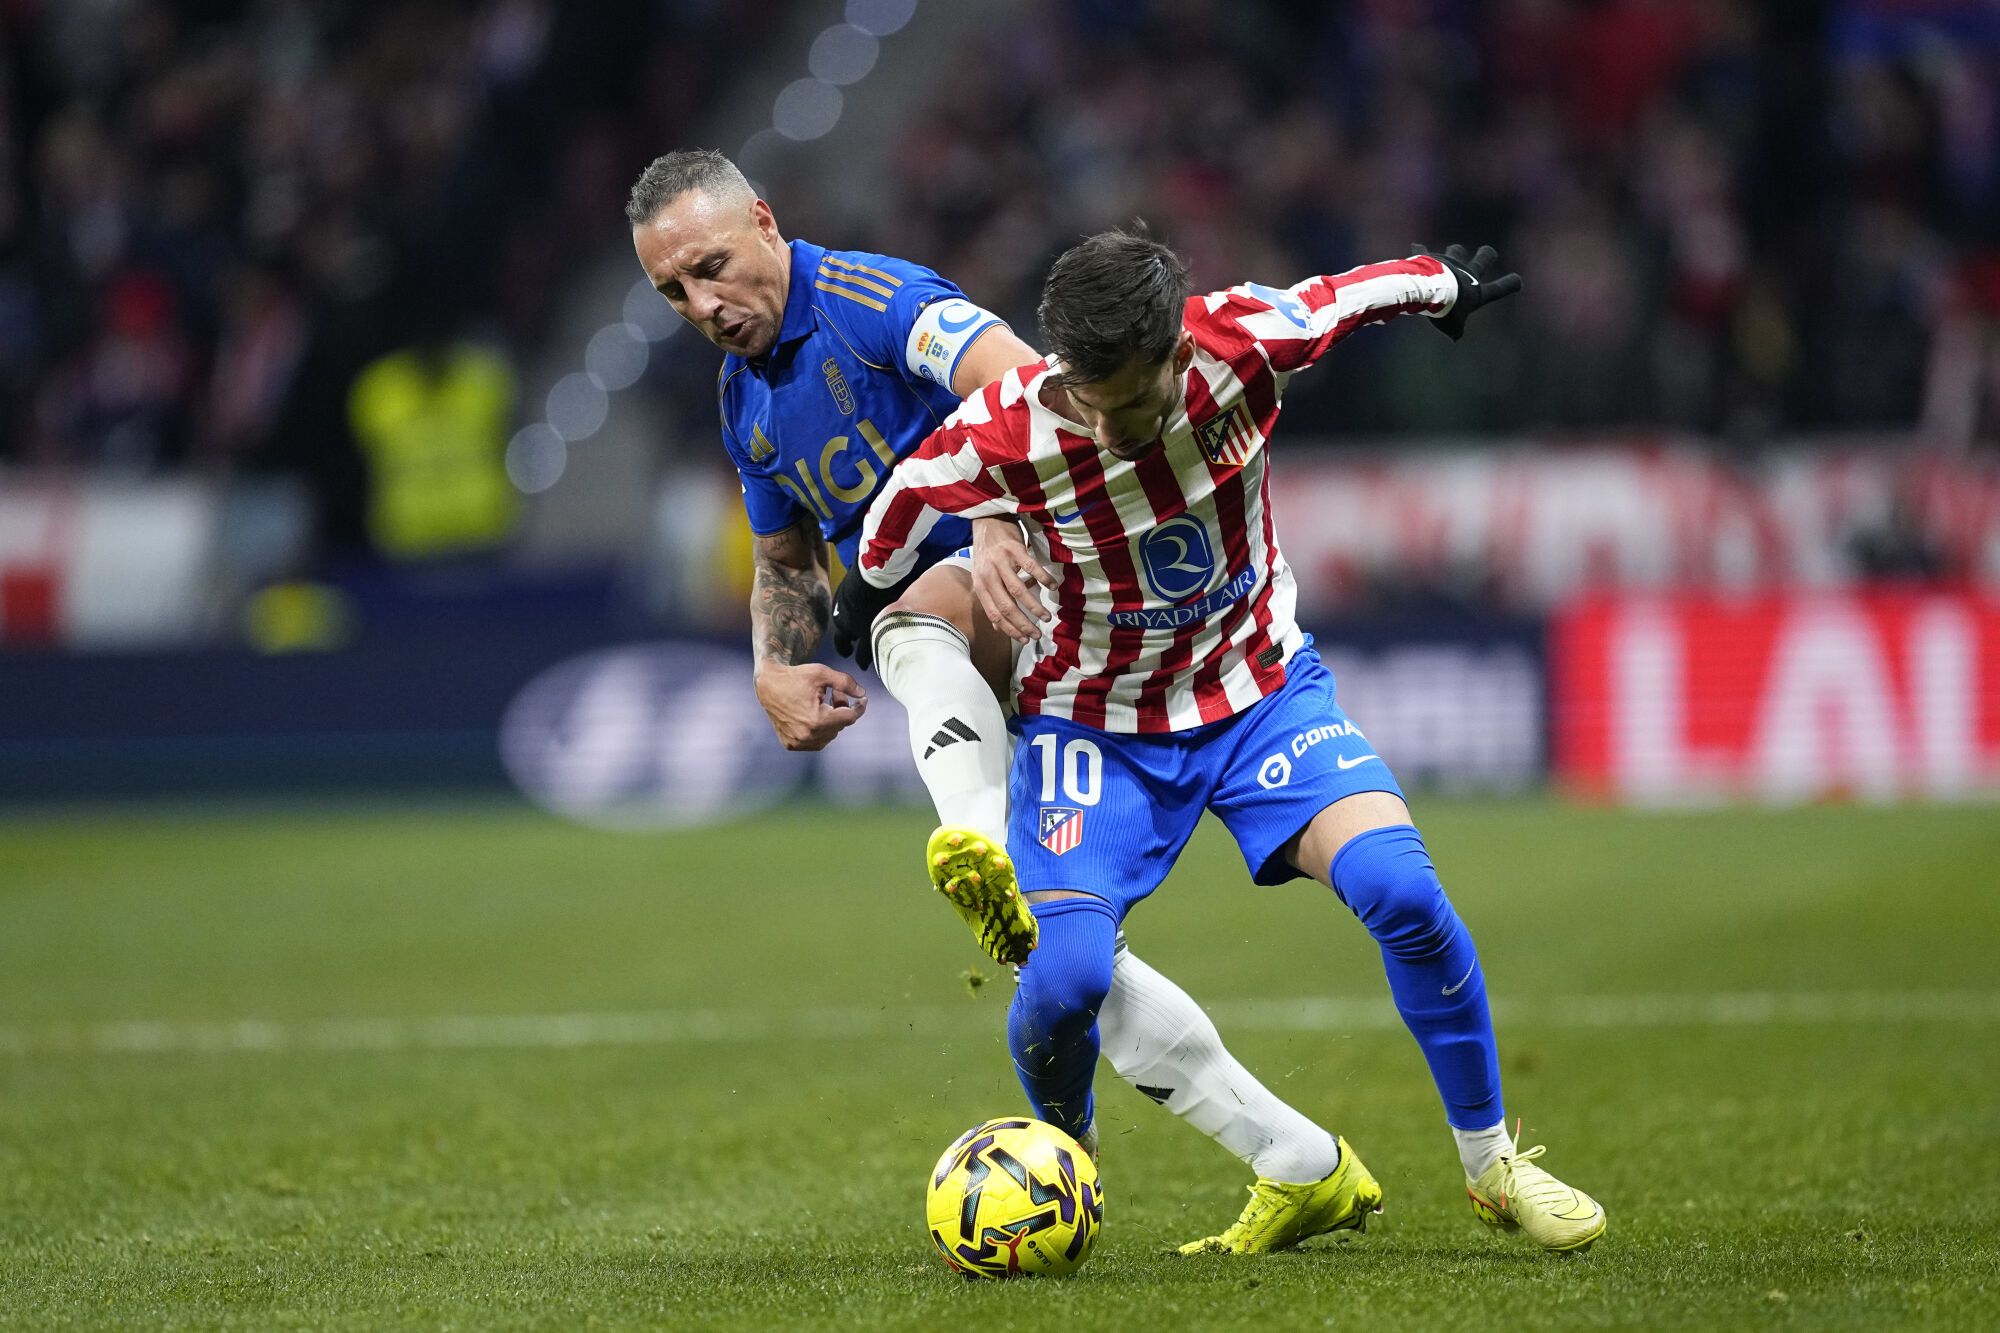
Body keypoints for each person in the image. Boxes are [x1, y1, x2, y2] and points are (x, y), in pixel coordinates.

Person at [628, 152, 1360, 1251]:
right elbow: (784, 562)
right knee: (1064, 963)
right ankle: (1296, 1160)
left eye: (712, 268)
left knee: (911, 611)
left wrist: (993, 509)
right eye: (672, 293)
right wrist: (770, 665)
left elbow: (1017, 373)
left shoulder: (872, 299)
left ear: (766, 224)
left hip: (1054, 607)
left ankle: (977, 841)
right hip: (975, 648)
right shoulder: (746, 402)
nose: (702, 306)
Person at [842, 230, 1607, 1254]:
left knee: (1402, 890)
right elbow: (896, 508)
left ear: (1172, 349)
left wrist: (1445, 287)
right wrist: (878, 583)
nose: (1112, 426)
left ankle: (1492, 1166)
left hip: (1255, 695)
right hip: (1091, 724)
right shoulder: (1005, 426)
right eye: (1090, 399)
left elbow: (1349, 294)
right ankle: (1067, 1169)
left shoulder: (1242, 339)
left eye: (1133, 399)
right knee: (1063, 980)